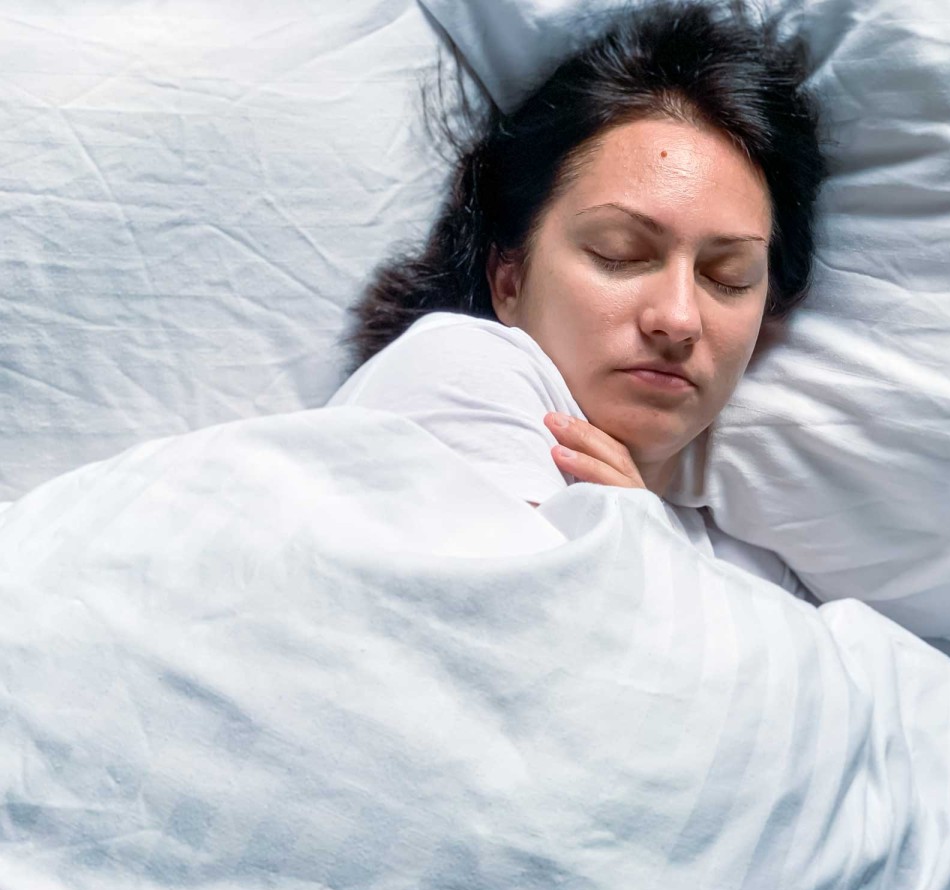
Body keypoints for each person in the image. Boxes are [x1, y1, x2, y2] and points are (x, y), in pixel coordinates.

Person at [327, 0, 827, 600]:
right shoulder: (456, 372)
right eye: (619, 253)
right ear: (509, 278)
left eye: (727, 275)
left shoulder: (760, 577)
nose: (677, 317)